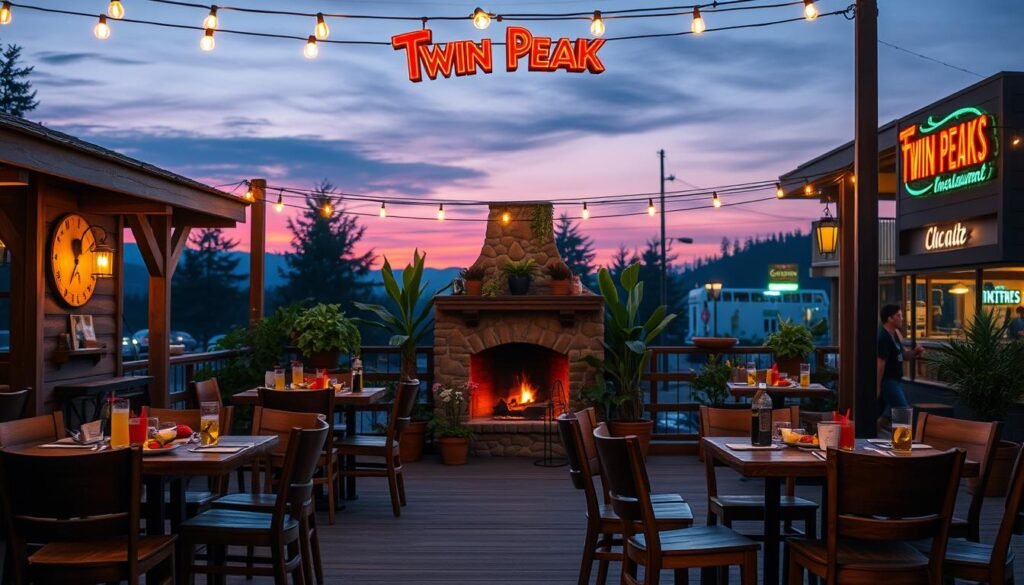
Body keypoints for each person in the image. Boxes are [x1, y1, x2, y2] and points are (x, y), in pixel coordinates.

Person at [877, 304, 923, 431]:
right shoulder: (884, 337)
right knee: (902, 411)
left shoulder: (895, 335)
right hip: (888, 381)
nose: (902, 318)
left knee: (884, 414)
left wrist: (915, 352)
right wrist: (877, 385)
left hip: (896, 379)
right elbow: (881, 362)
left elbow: (902, 355)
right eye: (899, 315)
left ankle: (869, 436)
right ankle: (901, 444)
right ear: (890, 318)